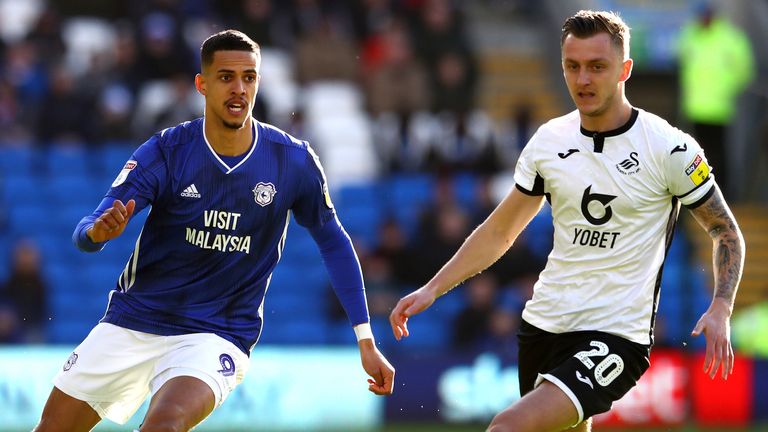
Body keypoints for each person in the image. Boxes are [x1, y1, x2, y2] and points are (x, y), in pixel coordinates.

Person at [389, 10, 744, 432]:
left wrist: (722, 304)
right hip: (543, 325)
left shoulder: (669, 149)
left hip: (615, 337)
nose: (583, 79)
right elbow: (501, 230)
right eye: (572, 67)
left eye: (597, 67)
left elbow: (725, 231)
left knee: (506, 428)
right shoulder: (549, 141)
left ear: (624, 70)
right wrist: (433, 288)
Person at [34, 30, 394, 432]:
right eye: (226, 77)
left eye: (249, 77)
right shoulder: (167, 151)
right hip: (134, 320)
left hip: (216, 333)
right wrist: (97, 235)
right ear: (202, 85)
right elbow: (87, 230)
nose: (239, 89)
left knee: (164, 424)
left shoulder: (292, 161)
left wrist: (366, 339)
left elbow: (333, 240)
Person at [677, 2, 755, 199]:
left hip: (720, 107)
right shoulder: (691, 34)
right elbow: (681, 59)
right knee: (696, 154)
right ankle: (700, 192)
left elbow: (744, 71)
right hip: (695, 107)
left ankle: (722, 194)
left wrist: (726, 88)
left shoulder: (731, 38)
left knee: (719, 153)